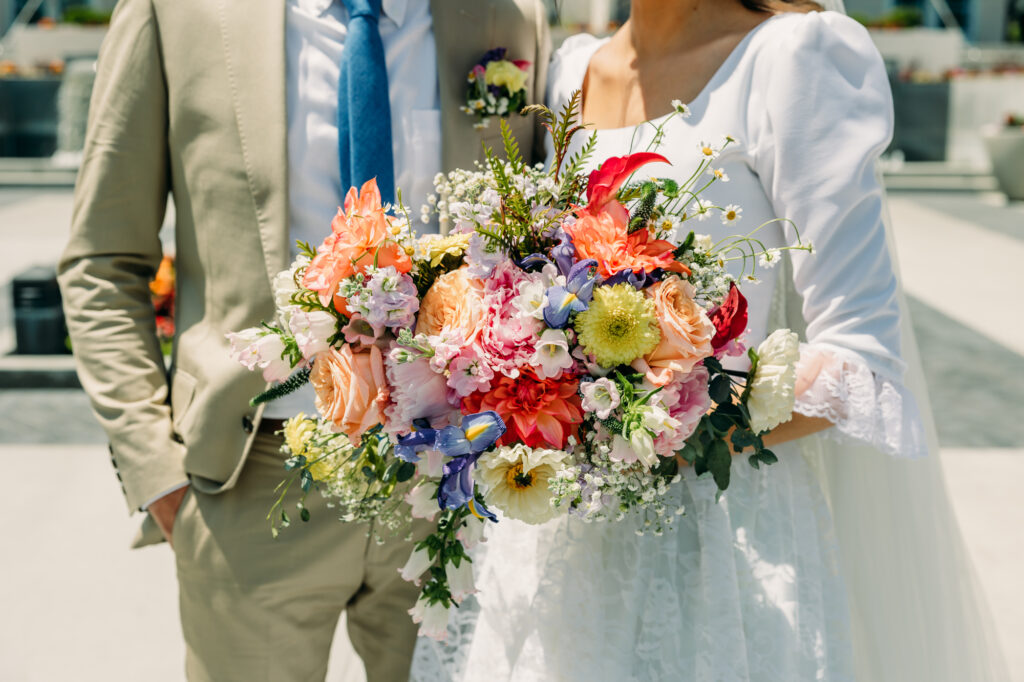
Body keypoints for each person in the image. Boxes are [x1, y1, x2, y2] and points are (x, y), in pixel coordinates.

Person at [410, 1, 1010, 680]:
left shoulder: (793, 57)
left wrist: (645, 428)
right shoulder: (572, 69)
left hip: (728, 545)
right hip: (558, 546)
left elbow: (860, 360)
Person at [58, 1, 549, 680]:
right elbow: (102, 261)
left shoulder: (507, 16)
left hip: (455, 484)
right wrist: (155, 471)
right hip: (252, 480)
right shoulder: (176, 13)